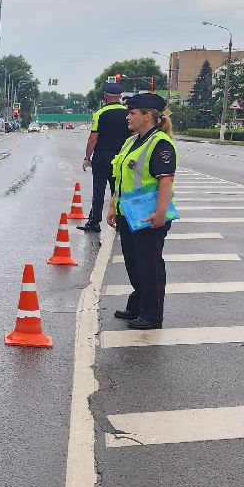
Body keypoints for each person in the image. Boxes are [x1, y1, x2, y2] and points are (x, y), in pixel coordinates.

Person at [106, 91, 177, 330]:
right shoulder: (132, 141)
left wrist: (160, 213)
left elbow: (166, 181)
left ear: (148, 116)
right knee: (134, 263)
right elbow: (121, 177)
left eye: (132, 113)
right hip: (129, 213)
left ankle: (152, 314)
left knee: (150, 266)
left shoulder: (161, 144)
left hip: (149, 215)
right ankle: (137, 305)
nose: (128, 117)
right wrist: (113, 205)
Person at [79, 80, 130, 231]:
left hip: (102, 157)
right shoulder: (128, 113)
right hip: (121, 157)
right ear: (120, 96)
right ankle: (121, 223)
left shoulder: (100, 113)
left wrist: (87, 157)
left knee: (98, 190)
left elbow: (93, 138)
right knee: (119, 190)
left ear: (105, 97)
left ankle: (94, 222)